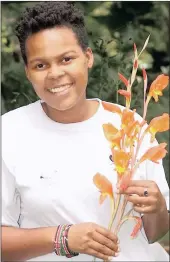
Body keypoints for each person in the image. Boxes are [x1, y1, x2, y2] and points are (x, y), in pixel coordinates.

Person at [2, 2, 169, 261]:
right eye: (40, 65)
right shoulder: (9, 133)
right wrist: (62, 237)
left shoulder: (129, 125)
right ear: (27, 72)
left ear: (88, 58)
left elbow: (155, 233)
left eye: (66, 59)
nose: (56, 74)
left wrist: (157, 209)